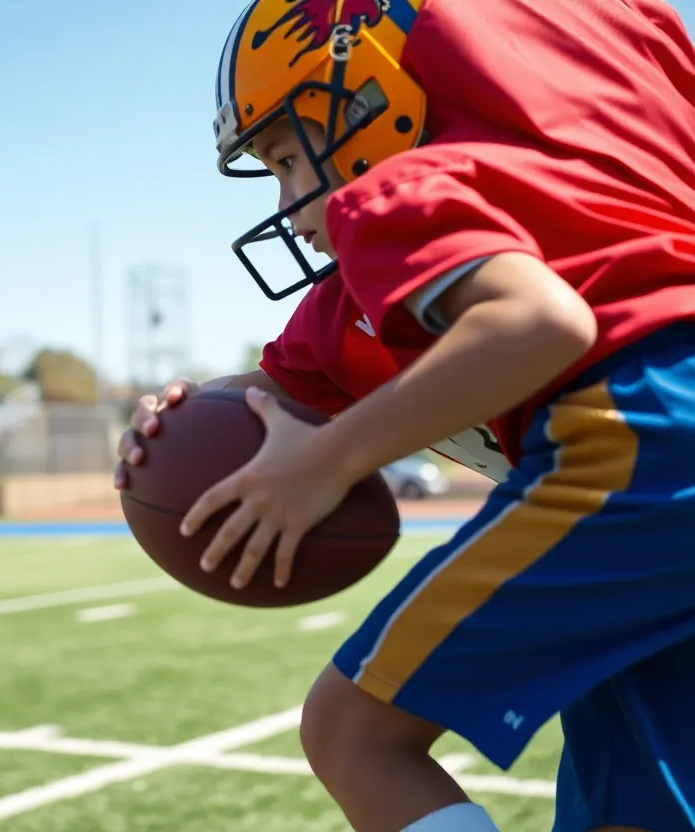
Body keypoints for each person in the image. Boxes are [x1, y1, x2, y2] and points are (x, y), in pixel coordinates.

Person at [114, 0, 695, 829]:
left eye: (285, 154)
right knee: (639, 794)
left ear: (367, 101)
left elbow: (537, 322)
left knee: (351, 733)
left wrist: (326, 463)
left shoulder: (398, 193)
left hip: (645, 446)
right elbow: (287, 381)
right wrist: (180, 409)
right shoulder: (594, 166)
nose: (286, 199)